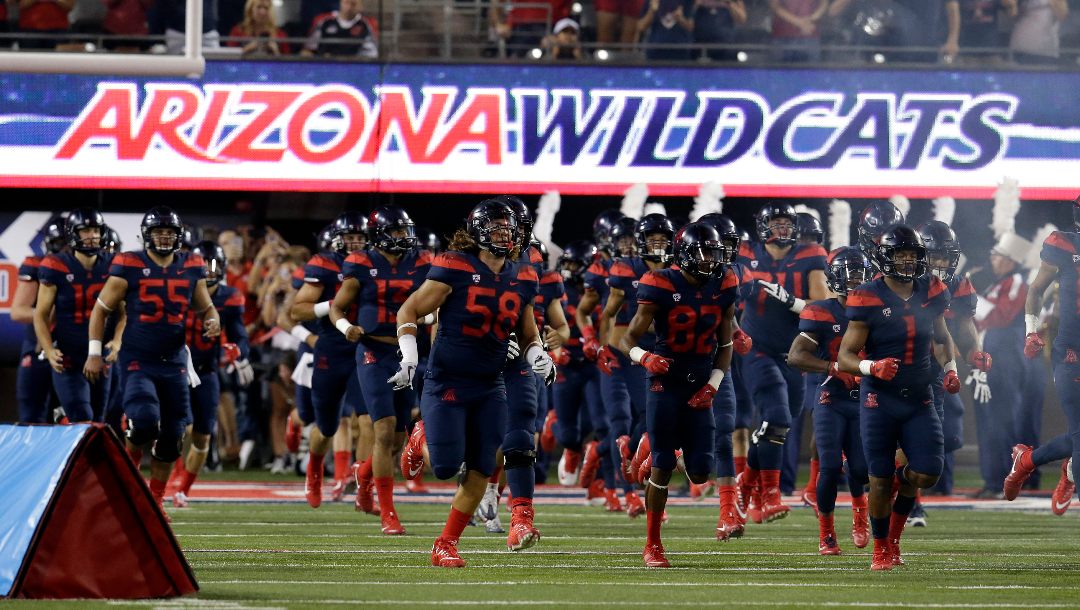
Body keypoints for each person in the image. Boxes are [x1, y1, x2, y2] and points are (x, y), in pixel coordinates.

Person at [392, 199, 553, 568]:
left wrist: (538, 355)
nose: (504, 234)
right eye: (496, 227)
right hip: (448, 379)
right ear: (478, 232)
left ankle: (445, 543)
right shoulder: (454, 265)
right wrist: (410, 356)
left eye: (508, 228)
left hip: (490, 383)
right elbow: (409, 310)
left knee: (481, 467)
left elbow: (527, 333)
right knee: (447, 467)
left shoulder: (524, 274)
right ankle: (420, 436)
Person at [837, 224, 960, 570]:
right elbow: (846, 355)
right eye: (901, 255)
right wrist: (872, 367)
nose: (908, 262)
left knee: (927, 473)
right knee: (876, 481)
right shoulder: (867, 295)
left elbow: (941, 337)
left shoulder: (932, 290)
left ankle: (898, 485)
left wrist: (950, 368)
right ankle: (883, 547)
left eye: (913, 256)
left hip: (920, 395)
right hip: (880, 398)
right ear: (885, 257)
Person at [86, 206, 221, 517]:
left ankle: (154, 502)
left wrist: (213, 321)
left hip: (174, 362)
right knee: (145, 422)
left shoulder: (191, 266)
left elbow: (206, 308)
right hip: (138, 359)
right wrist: (95, 352)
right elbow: (101, 310)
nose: (164, 237)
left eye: (169, 233)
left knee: (173, 438)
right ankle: (128, 482)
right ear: (146, 235)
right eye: (158, 232)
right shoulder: (130, 264)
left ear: (179, 237)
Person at [621, 221, 738, 567]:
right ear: (684, 255)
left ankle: (652, 442)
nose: (710, 261)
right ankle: (653, 544)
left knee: (701, 473)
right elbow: (628, 338)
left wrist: (713, 385)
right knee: (663, 466)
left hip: (701, 382)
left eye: (714, 254)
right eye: (702, 254)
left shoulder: (725, 282)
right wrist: (645, 357)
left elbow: (726, 343)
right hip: (665, 382)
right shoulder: (659, 283)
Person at [330, 205, 431, 536]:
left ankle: (363, 476)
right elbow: (337, 307)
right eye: (397, 231)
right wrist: (345, 326)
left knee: (397, 438)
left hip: (406, 351)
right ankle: (389, 513)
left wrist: (429, 319)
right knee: (384, 429)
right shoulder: (361, 263)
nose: (404, 238)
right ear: (380, 233)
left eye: (405, 231)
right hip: (373, 350)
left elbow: (435, 303)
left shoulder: (421, 263)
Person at [736, 203, 828, 523]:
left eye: (787, 224)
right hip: (755, 347)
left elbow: (824, 305)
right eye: (775, 223)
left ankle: (747, 482)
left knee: (780, 425)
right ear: (762, 227)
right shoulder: (745, 254)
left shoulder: (810, 255)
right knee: (774, 416)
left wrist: (793, 302)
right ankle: (770, 495)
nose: (783, 230)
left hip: (794, 352)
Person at [787, 246, 872, 556]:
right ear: (835, 279)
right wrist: (832, 367)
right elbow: (796, 356)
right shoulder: (821, 311)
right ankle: (827, 534)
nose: (855, 283)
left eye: (859, 276)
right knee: (830, 465)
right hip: (831, 397)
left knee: (862, 470)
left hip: (867, 399)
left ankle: (860, 511)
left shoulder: (877, 309)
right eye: (849, 278)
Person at [289, 211, 370, 510]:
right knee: (326, 427)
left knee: (369, 420)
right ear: (338, 239)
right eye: (350, 238)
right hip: (331, 349)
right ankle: (314, 471)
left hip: (365, 348)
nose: (355, 243)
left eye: (361, 238)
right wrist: (332, 306)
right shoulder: (324, 264)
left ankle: (363, 483)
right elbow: (297, 311)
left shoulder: (376, 264)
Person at [599, 213, 674, 517]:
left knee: (652, 419)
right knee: (637, 415)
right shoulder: (625, 269)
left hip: (660, 352)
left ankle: (632, 457)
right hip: (629, 353)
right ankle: (631, 482)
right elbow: (608, 313)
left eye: (663, 239)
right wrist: (602, 346)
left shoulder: (677, 270)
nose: (658, 245)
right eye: (652, 239)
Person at [169, 240, 253, 508]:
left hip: (207, 371)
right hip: (178, 368)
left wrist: (237, 351)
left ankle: (183, 489)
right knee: (183, 426)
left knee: (203, 434)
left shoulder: (230, 297)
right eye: (202, 265)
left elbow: (241, 336)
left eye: (212, 265)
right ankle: (176, 473)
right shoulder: (178, 291)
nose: (207, 271)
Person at [1016, 197, 1080, 516]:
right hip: (1073, 350)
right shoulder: (1064, 245)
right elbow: (1036, 290)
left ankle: (1030, 460)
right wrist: (1031, 330)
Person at [917, 220, 986, 504]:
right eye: (935, 257)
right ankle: (910, 502)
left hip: (938, 370)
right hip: (900, 368)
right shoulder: (904, 284)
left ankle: (913, 494)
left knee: (944, 441)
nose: (941, 263)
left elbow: (965, 330)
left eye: (946, 257)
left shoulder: (958, 286)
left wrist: (975, 354)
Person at [34, 208, 121, 424]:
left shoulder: (114, 265)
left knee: (99, 423)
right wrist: (48, 349)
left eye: (96, 230)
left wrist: (118, 340)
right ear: (73, 233)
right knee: (83, 418)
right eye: (85, 230)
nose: (92, 235)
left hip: (100, 358)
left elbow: (124, 312)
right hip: (69, 359)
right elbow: (41, 314)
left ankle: (67, 424)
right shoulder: (56, 265)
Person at [972, 232, 1030, 499]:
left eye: (997, 255)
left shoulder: (1017, 281)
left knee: (1001, 421)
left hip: (1006, 361)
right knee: (988, 421)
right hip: (990, 361)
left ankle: (1004, 481)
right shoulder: (996, 285)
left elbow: (1002, 316)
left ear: (1009, 260)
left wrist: (970, 297)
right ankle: (991, 479)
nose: (992, 259)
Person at [13, 216, 67, 424]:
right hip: (39, 349)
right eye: (60, 244)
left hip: (73, 348)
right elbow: (18, 312)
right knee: (32, 417)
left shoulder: (88, 269)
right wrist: (48, 313)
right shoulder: (36, 266)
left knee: (73, 416)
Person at [302, 0, 377, 58]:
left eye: (353, 3)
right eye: (346, 2)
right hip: (325, 67)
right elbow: (309, 49)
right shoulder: (324, 21)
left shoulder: (366, 24)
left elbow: (371, 54)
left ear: (360, 6)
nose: (349, 7)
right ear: (340, 2)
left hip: (353, 69)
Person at [1010, 0, 1068, 65]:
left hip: (1043, 51)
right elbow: (1012, 14)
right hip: (1019, 49)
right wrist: (1012, 6)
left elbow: (1062, 15)